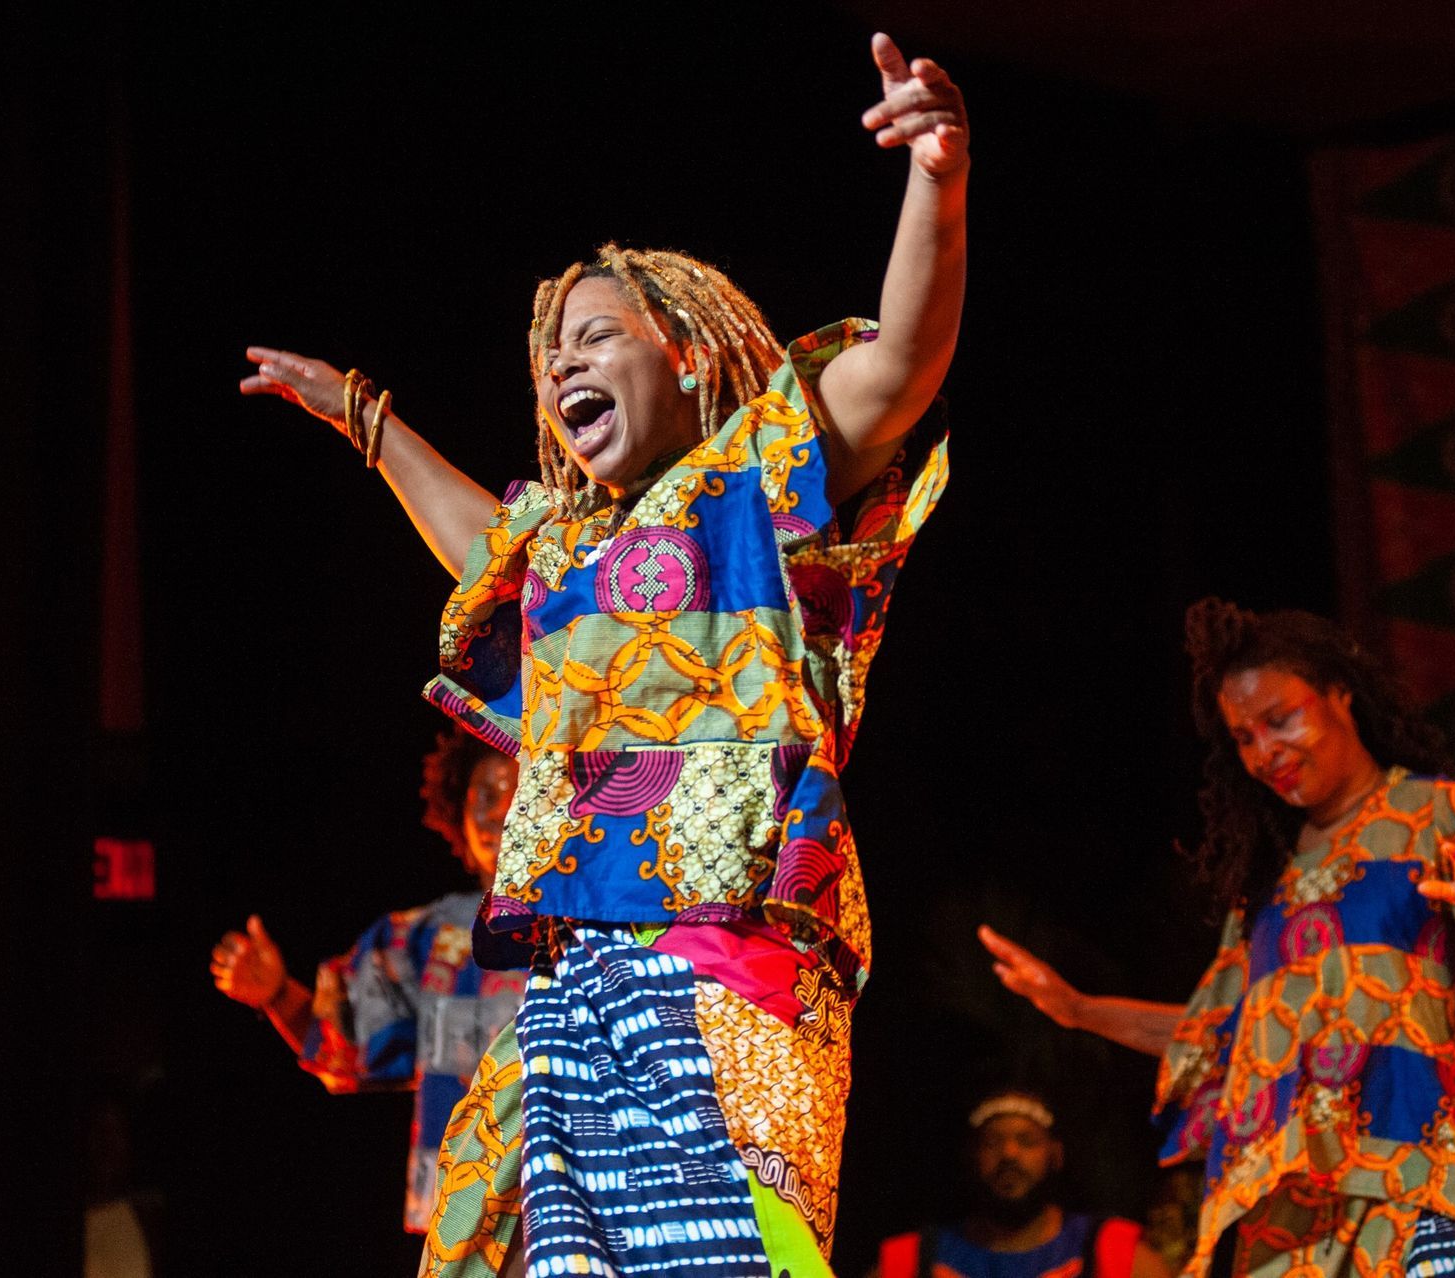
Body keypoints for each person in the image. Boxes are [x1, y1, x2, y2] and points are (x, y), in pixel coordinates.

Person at [237, 30, 966, 1278]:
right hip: (578, 958)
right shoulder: (567, 550)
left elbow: (898, 363)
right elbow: (479, 542)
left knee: (728, 1255)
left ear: (683, 348)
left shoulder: (754, 482)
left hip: (728, 947)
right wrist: (369, 422)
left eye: (595, 334)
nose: (564, 359)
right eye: (552, 351)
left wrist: (937, 178)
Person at [980, 599, 1455, 1278]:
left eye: (1279, 719)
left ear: (1339, 693)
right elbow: (1222, 1035)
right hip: (1299, 1231)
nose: (1264, 752)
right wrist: (1078, 1009)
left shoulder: (1442, 814)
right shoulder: (1270, 896)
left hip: (1432, 1190)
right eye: (1244, 738)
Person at [209, 729, 524, 1235]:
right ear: (458, 814)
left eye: (517, 790)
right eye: (484, 795)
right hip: (463, 1221)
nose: (499, 811)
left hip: (574, 1206)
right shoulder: (427, 939)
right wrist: (277, 995)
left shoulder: (601, 929)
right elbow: (345, 1040)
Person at [872, 1088, 1171, 1278]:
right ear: (972, 1156)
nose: (1009, 1154)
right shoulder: (910, 1262)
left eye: (1027, 1141)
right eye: (992, 1142)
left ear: (1055, 1155)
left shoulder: (1115, 1255)